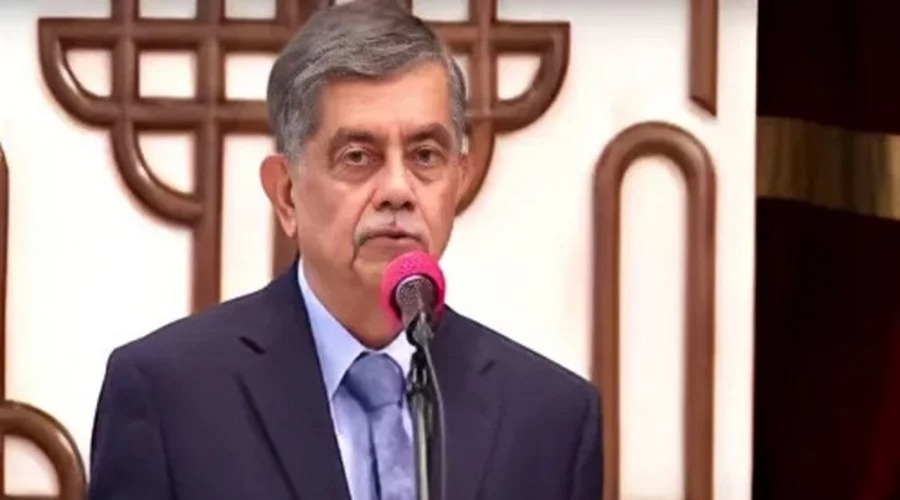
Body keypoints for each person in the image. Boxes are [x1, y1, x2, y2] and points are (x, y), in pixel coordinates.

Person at [86, 1, 602, 499]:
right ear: (286, 193)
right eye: (358, 156)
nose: (398, 190)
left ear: (459, 180)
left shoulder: (550, 419)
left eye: (425, 155)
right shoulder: (169, 397)